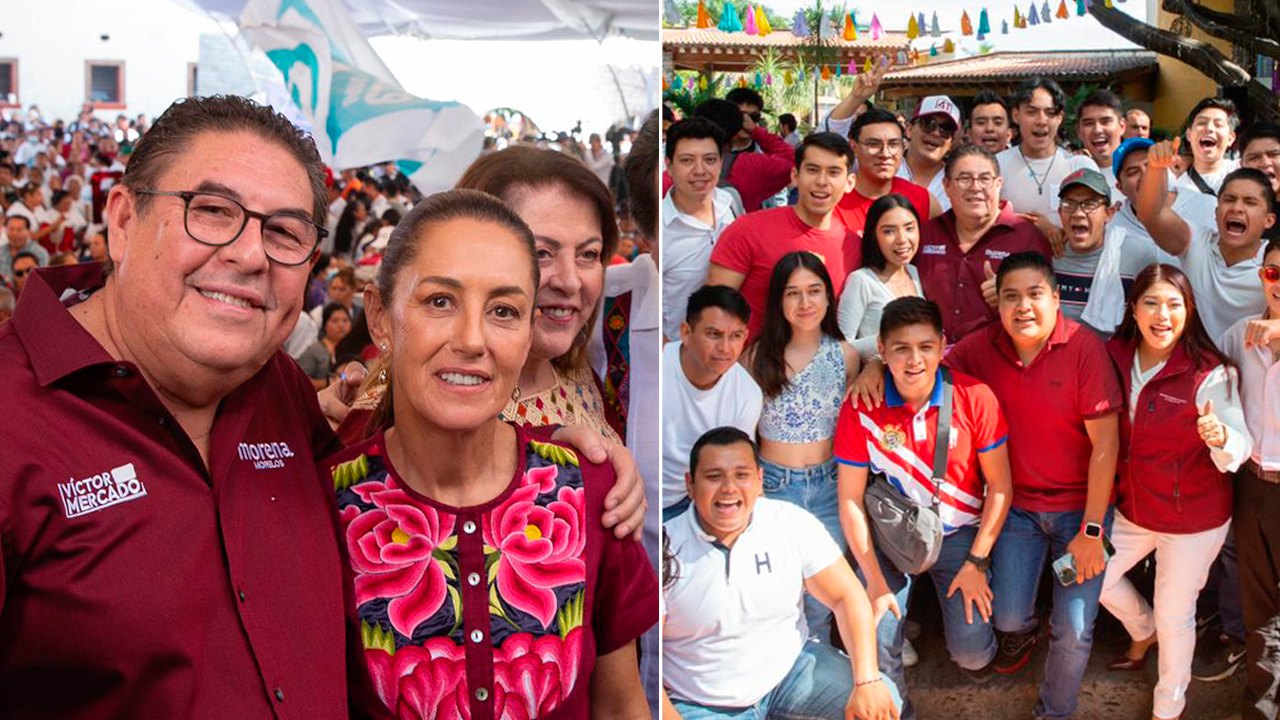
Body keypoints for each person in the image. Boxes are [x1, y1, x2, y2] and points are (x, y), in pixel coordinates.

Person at [0, 95, 645, 718]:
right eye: (213, 211)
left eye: (283, 231)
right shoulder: (16, 420)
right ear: (121, 220)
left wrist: (563, 445)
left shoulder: (276, 390)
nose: (249, 254)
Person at [322, 188, 656, 719]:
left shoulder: (592, 493)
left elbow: (621, 706)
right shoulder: (318, 506)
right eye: (439, 302)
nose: (472, 339)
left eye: (503, 311)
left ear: (528, 334)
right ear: (380, 317)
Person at [944, 252, 1121, 720]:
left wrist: (1091, 532)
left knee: (1076, 627)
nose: (1023, 306)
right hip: (1017, 509)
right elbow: (925, 368)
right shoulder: (979, 350)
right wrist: (876, 369)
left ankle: (1053, 713)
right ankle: (1027, 626)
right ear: (997, 305)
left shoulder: (1083, 346)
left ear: (1057, 298)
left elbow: (1106, 446)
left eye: (1035, 294)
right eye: (1011, 297)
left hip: (1080, 510)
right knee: (1006, 618)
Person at [835, 296, 1013, 720]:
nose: (914, 359)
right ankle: (897, 712)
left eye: (925, 347)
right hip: (891, 539)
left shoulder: (975, 397)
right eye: (901, 348)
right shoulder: (861, 407)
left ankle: (959, 632)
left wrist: (977, 561)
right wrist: (874, 581)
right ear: (882, 349)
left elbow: (1001, 487)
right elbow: (849, 498)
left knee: (971, 654)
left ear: (942, 345)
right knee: (876, 635)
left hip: (959, 539)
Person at [662, 427, 901, 720]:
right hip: (701, 702)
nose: (729, 488)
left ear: (760, 480)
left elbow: (847, 595)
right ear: (690, 484)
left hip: (788, 676)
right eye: (714, 477)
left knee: (880, 702)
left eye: (742, 475)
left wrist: (867, 681)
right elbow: (649, 660)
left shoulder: (788, 523)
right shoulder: (665, 548)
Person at [1099, 264, 1251, 720]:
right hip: (1132, 510)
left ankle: (1169, 706)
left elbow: (1240, 444)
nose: (1162, 314)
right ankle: (1141, 628)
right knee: (1083, 575)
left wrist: (1220, 436)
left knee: (1175, 611)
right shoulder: (1114, 355)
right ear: (1133, 308)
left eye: (1173, 304)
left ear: (1188, 311)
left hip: (1194, 520)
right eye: (1151, 302)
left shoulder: (1210, 371)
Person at [744, 251, 861, 638]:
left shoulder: (844, 356)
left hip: (830, 486)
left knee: (823, 596)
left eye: (814, 291)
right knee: (779, 590)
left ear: (829, 297)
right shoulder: (756, 356)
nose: (805, 303)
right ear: (779, 300)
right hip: (774, 487)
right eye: (793, 293)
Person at [708, 133, 858, 343]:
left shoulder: (853, 246)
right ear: (795, 176)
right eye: (812, 170)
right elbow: (712, 309)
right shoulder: (748, 229)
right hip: (747, 369)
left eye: (834, 172)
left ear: (849, 182)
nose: (822, 181)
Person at [1220, 237, 1280, 720]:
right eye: (1273, 272)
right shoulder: (1238, 334)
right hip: (1253, 486)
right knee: (1259, 606)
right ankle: (1261, 706)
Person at [1136, 142, 1276, 342]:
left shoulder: (1273, 265)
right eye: (1229, 199)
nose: (1237, 208)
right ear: (1216, 211)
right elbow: (1151, 214)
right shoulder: (1195, 242)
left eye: (1250, 202)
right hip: (1194, 367)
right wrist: (1156, 168)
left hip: (1252, 369)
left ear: (1268, 220)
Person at [913, 145, 1051, 343]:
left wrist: (1011, 293)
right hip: (931, 361)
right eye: (964, 178)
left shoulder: (1027, 238)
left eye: (985, 179)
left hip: (996, 362)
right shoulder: (926, 234)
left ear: (999, 184)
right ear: (946, 185)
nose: (975, 187)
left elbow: (1046, 308)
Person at [661, 285, 762, 521]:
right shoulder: (657, 367)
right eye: (714, 334)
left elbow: (737, 461)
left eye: (735, 336)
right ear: (686, 333)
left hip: (700, 503)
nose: (725, 348)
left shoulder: (747, 393)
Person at [1051, 168, 1161, 336]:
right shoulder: (1050, 252)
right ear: (1060, 212)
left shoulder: (1138, 254)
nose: (1078, 213)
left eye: (1090, 205)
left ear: (1109, 213)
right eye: (1069, 204)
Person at [663, 117, 738, 341]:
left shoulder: (730, 203)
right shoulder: (661, 229)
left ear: (721, 162)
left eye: (710, 159)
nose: (700, 170)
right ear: (669, 166)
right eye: (687, 161)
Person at [996, 77, 1096, 233]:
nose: (1041, 121)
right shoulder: (997, 166)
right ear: (1016, 115)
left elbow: (1098, 225)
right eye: (1032, 112)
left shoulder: (1080, 167)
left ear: (1060, 118)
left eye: (1050, 113)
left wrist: (1060, 232)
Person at [834, 108, 939, 245]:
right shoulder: (834, 200)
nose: (885, 153)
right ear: (853, 147)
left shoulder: (923, 200)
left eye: (893, 144)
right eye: (873, 144)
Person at [838, 194, 924, 358]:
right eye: (889, 231)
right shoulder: (861, 281)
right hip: (877, 382)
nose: (902, 239)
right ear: (874, 236)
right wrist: (887, 340)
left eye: (909, 228)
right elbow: (841, 350)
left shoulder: (913, 272)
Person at [687, 98, 794, 213]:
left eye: (754, 117)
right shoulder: (750, 166)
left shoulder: (675, 170)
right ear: (737, 125)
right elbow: (792, 160)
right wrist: (756, 130)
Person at [1167, 99, 1241, 233]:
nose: (1209, 128)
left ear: (1230, 138)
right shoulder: (1169, 179)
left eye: (1218, 124)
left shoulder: (1243, 172)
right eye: (1202, 123)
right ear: (1189, 134)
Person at [1109, 137, 1182, 271]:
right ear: (1120, 188)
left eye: (1151, 166)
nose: (1145, 176)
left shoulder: (1203, 205)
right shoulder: (1111, 225)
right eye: (1133, 172)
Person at [899, 96, 963, 212]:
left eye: (945, 129)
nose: (936, 133)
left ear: (951, 143)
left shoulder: (956, 185)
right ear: (909, 129)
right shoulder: (884, 166)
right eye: (928, 124)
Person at [1075, 90, 1127, 188]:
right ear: (1079, 132)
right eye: (1089, 123)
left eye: (1105, 121)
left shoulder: (1143, 171)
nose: (1097, 130)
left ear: (1122, 126)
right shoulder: (1072, 173)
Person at [297, 302, 352, 390]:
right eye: (335, 321)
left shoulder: (354, 349)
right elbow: (299, 381)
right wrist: (329, 382)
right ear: (325, 325)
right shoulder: (314, 350)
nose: (341, 325)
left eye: (345, 320)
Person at [1240, 121, 1280, 240]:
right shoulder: (1231, 210)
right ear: (1241, 165)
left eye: (1274, 154)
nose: (1265, 163)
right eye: (1254, 157)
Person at [0, 215, 49, 282]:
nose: (14, 233)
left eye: (19, 230)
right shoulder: (1, 251)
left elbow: (44, 280)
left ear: (28, 231)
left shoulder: (40, 253)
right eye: (11, 229)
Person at [967, 90, 1014, 155]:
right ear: (969, 134)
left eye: (997, 123)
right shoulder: (957, 164)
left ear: (1009, 134)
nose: (989, 128)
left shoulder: (1024, 164)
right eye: (981, 122)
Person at [725, 86, 766, 155]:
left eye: (754, 117)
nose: (748, 121)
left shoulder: (765, 151)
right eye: (741, 116)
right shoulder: (713, 149)